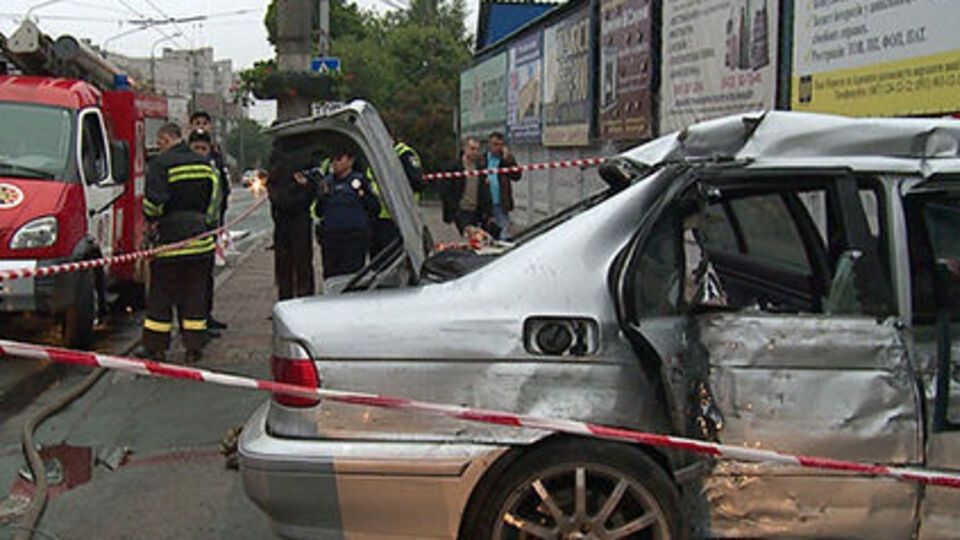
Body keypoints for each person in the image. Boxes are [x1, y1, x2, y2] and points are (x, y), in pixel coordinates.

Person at [141, 122, 219, 364]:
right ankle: (194, 347)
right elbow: (215, 200)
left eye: (159, 142)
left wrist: (151, 220)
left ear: (165, 139)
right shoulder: (204, 164)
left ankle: (156, 347)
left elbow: (154, 203)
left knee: (161, 296)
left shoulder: (160, 164)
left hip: (170, 242)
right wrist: (206, 224)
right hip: (200, 241)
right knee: (195, 294)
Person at [304, 148, 380, 293]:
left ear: (350, 161)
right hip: (332, 238)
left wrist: (362, 195)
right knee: (332, 279)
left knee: (353, 279)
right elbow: (319, 211)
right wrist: (323, 195)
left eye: (339, 158)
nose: (334, 163)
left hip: (354, 238)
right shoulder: (327, 182)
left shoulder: (360, 181)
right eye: (332, 159)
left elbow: (374, 207)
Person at [189, 111, 230, 332]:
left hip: (212, 225)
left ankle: (207, 315)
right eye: (197, 123)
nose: (201, 127)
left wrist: (220, 220)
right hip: (194, 227)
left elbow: (222, 189)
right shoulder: (186, 156)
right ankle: (196, 323)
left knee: (207, 275)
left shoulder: (217, 155)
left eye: (205, 123)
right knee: (193, 277)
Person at [268, 143, 316, 301]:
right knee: (286, 267)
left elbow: (313, 184)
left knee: (300, 265)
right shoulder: (277, 158)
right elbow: (272, 186)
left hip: (297, 218)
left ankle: (303, 301)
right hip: (285, 219)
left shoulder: (304, 157)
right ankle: (288, 301)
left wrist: (304, 190)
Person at [367, 141, 425, 257]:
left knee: (393, 260)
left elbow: (417, 183)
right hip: (376, 217)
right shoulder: (375, 155)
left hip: (397, 217)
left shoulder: (404, 154)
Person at [442, 136, 494, 236]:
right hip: (460, 211)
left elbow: (485, 192)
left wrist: (489, 213)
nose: (475, 152)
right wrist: (453, 212)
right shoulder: (453, 167)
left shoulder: (481, 168)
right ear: (465, 148)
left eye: (477, 149)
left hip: (476, 213)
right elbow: (445, 191)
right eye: (472, 148)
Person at [485, 132, 523, 240]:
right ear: (489, 144)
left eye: (500, 144)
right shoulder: (482, 159)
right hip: (486, 203)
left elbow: (517, 176)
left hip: (501, 203)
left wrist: (508, 159)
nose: (498, 147)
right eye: (495, 144)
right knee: (486, 235)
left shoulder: (505, 160)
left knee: (503, 233)